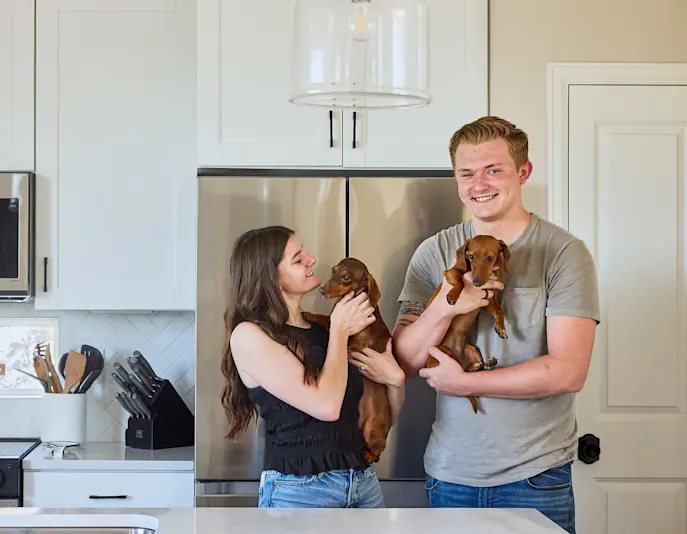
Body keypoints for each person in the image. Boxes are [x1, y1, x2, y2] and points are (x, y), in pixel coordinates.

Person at [392, 116, 599, 534]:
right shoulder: (434, 251)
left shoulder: (563, 253)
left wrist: (466, 384)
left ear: (523, 172)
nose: (479, 183)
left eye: (493, 170)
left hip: (535, 477)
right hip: (449, 474)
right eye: (466, 173)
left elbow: (569, 371)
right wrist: (447, 307)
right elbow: (406, 361)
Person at [220, 225, 406, 508]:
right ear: (270, 277)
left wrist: (395, 380)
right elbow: (326, 406)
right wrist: (341, 331)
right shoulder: (249, 336)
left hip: (363, 483)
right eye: (297, 259)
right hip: (300, 492)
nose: (311, 259)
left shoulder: (323, 330)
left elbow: (387, 414)